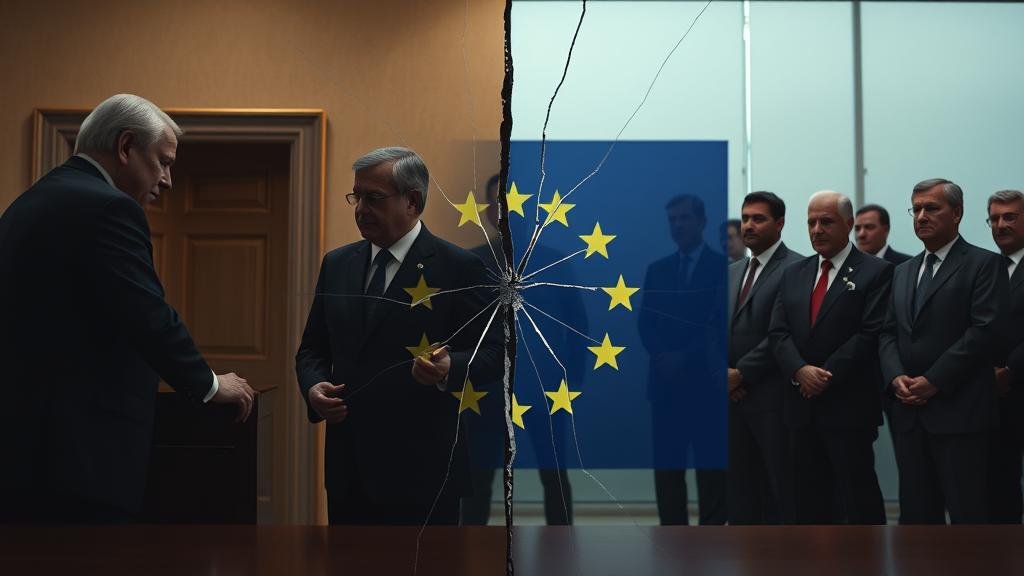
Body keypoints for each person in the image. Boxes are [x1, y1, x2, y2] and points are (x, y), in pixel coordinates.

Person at [0, 94, 254, 523]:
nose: (168, 179)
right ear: (126, 147)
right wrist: (209, 384)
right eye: (164, 161)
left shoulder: (29, 202)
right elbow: (147, 314)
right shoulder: (110, 207)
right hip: (78, 461)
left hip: (24, 450)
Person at [295, 147, 502, 525]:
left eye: (373, 198)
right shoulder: (337, 264)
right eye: (356, 197)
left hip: (424, 474)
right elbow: (312, 350)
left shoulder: (459, 267)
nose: (360, 209)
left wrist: (449, 369)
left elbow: (496, 353)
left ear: (413, 201)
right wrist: (313, 387)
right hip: (349, 472)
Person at [878, 178, 1007, 524]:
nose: (922, 216)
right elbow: (887, 332)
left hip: (960, 413)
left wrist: (934, 380)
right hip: (909, 414)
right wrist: (895, 376)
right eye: (916, 209)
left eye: (932, 208)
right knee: (917, 519)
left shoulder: (984, 264)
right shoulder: (902, 271)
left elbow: (984, 331)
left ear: (958, 213)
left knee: (968, 518)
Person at [460, 174, 583, 526]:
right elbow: (459, 327)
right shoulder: (470, 264)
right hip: (485, 390)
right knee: (478, 480)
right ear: (488, 213)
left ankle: (563, 549)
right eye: (498, 204)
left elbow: (577, 327)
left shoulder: (554, 262)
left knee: (554, 476)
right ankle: (470, 551)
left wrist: (572, 381)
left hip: (546, 390)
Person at [769, 191, 890, 524]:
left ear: (848, 224)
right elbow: (778, 332)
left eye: (826, 221)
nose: (817, 229)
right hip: (800, 408)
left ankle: (866, 555)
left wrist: (823, 374)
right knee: (807, 501)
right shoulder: (794, 273)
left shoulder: (877, 271)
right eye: (811, 222)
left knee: (857, 499)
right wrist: (800, 370)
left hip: (848, 406)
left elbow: (870, 333)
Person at [639, 194, 728, 525]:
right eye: (672, 219)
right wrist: (664, 357)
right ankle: (672, 543)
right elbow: (646, 323)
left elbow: (721, 326)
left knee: (712, 472)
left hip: (707, 386)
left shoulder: (724, 269)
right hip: (666, 387)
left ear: (702, 221)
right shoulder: (657, 270)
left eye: (684, 218)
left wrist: (685, 357)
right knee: (668, 473)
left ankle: (711, 542)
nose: (677, 225)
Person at [727, 191, 803, 524]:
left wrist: (741, 373)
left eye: (758, 219)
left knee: (782, 490)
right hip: (732, 400)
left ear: (780, 223)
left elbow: (785, 333)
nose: (749, 225)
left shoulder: (797, 268)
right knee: (741, 493)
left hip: (774, 400)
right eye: (746, 218)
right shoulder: (733, 271)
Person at [986, 189, 1024, 523]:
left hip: (1015, 382)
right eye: (994, 219)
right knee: (999, 486)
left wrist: (1010, 369)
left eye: (1010, 216)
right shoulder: (985, 267)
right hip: (991, 399)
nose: (1001, 225)